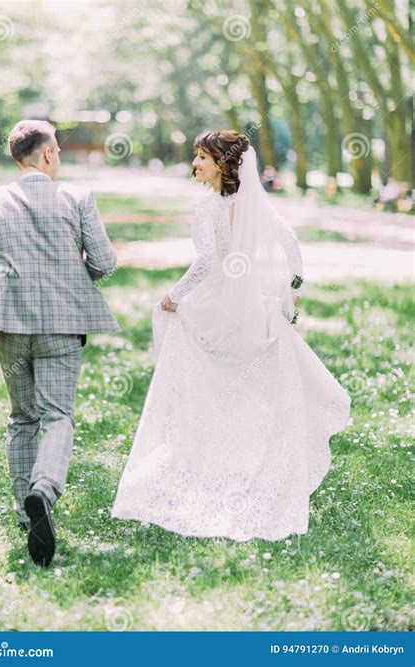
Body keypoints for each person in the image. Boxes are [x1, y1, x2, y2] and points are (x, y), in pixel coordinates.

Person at [111, 130, 351, 542]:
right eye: (196, 155)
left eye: (203, 156)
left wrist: (172, 296)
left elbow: (207, 262)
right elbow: (290, 245)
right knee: (250, 389)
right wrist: (289, 294)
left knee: (204, 387)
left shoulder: (206, 208)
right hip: (253, 313)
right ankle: (239, 461)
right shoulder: (255, 205)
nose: (196, 163)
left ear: (223, 164)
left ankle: (208, 460)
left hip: (213, 312)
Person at [0, 120, 118, 566]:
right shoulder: (77, 198)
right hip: (62, 325)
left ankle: (24, 513)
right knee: (57, 415)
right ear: (47, 154)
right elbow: (104, 262)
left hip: (10, 326)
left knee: (21, 417)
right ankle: (43, 491)